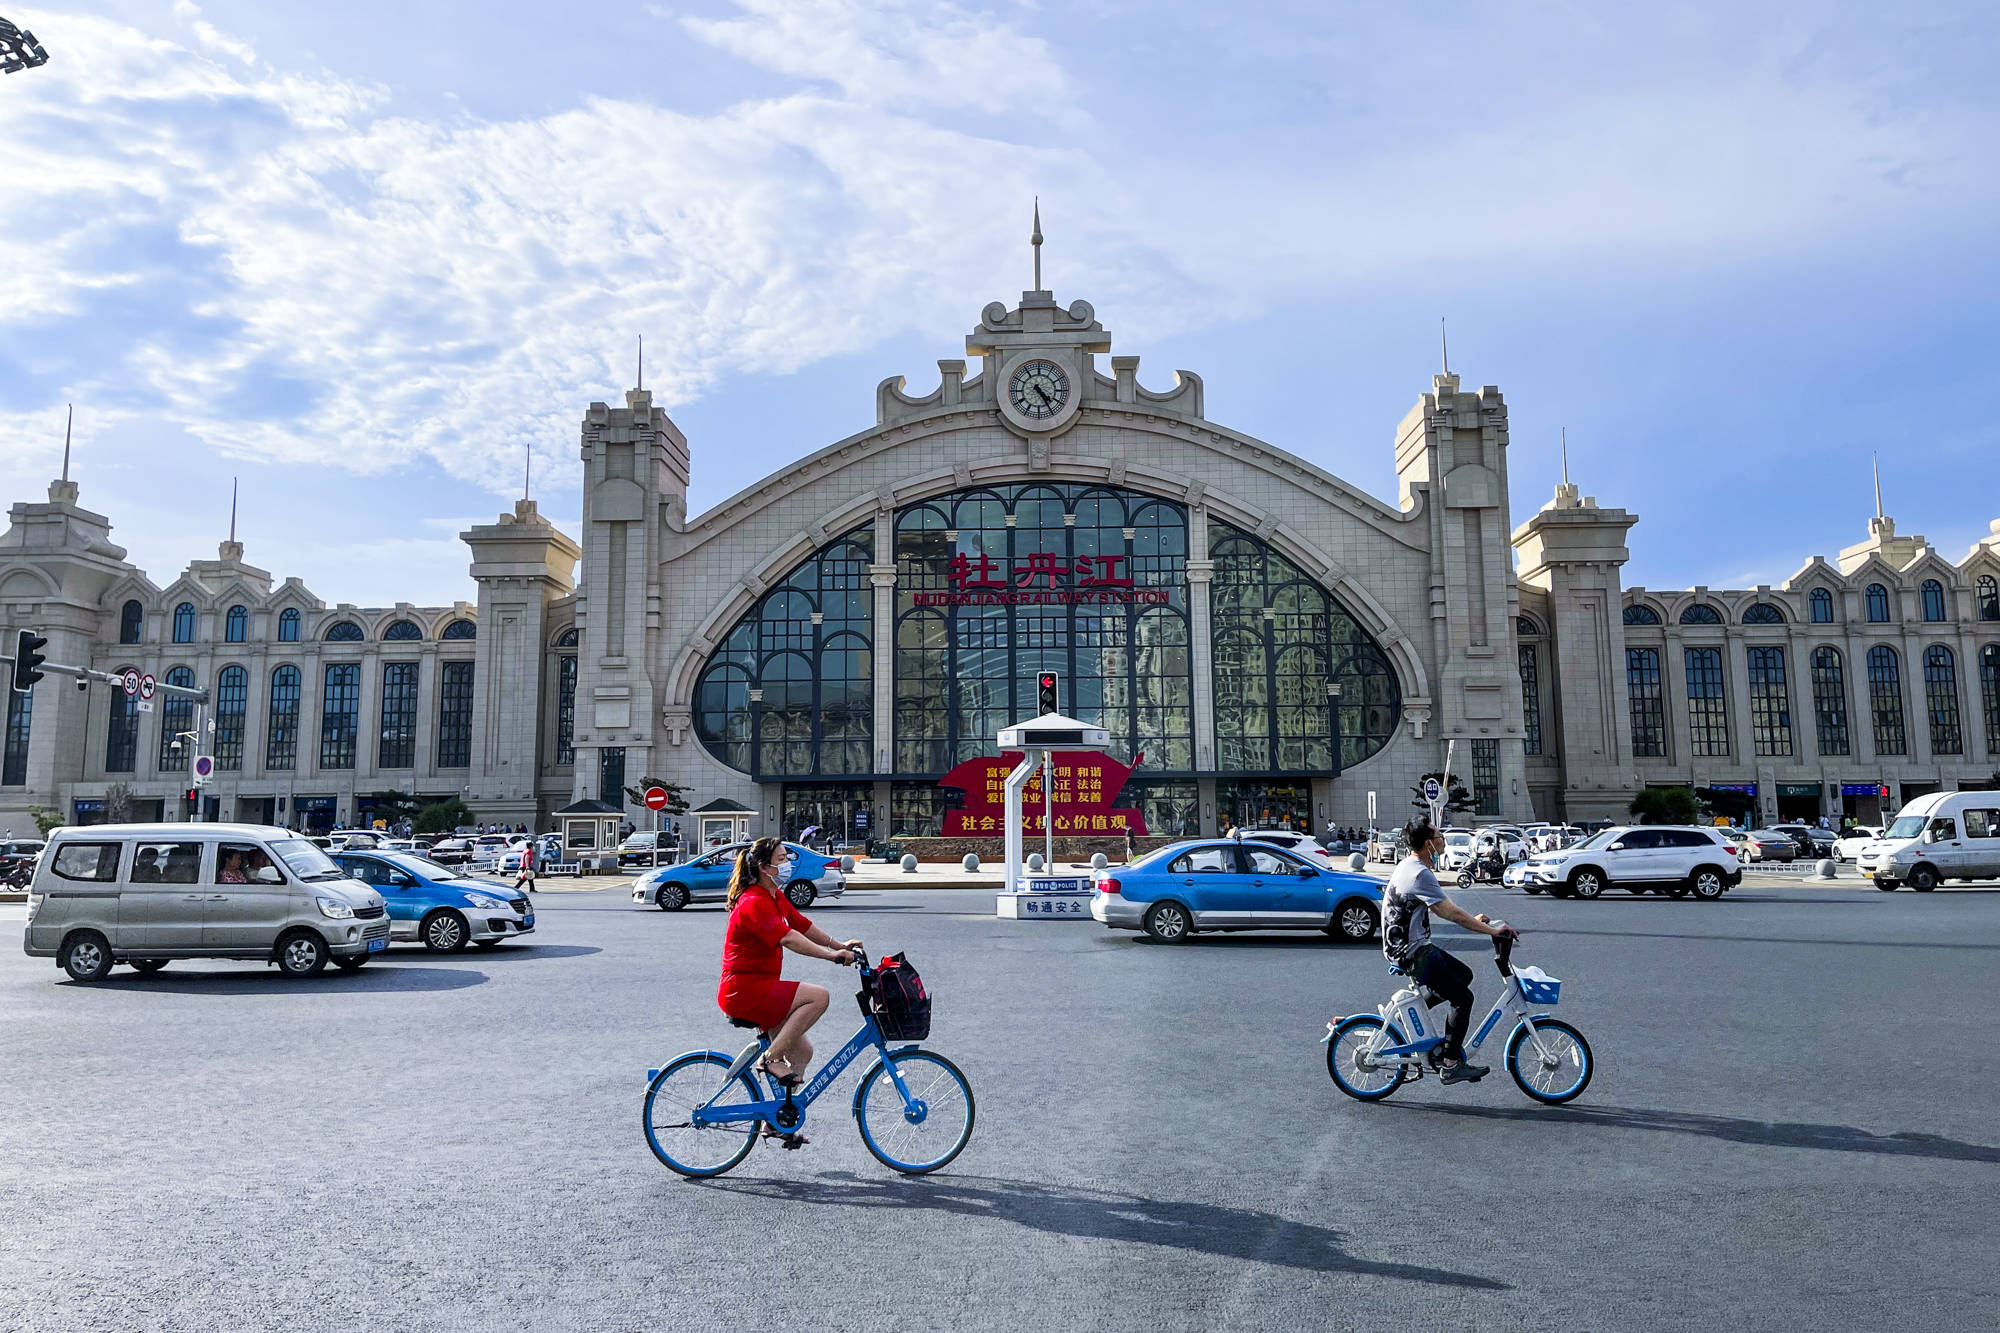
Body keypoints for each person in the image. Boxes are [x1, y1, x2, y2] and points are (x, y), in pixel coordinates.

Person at [716, 836, 861, 1096]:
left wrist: (840, 944)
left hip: (761, 986)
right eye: (781, 860)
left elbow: (801, 924)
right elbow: (789, 937)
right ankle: (770, 1060)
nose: (787, 865)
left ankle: (781, 1119)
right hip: (744, 990)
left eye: (787, 859)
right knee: (819, 997)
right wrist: (831, 956)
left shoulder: (773, 896)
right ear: (764, 867)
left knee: (803, 1052)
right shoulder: (753, 902)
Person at [1381, 816, 1516, 1084]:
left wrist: (1475, 922)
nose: (1443, 840)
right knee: (1463, 998)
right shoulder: (1419, 872)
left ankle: (1413, 1014)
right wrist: (1491, 931)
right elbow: (1449, 912)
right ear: (1428, 844)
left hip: (1411, 945)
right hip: (1410, 952)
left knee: (1463, 976)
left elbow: (1441, 908)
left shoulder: (1413, 866)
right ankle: (1451, 1064)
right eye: (1439, 836)